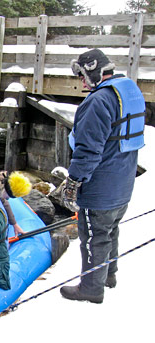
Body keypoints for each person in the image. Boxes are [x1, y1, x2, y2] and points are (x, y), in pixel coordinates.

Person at [60, 49, 145, 303]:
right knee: (110, 230)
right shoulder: (129, 90)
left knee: (93, 239)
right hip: (123, 183)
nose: (82, 82)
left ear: (95, 72)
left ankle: (91, 289)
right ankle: (109, 275)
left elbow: (88, 150)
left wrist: (73, 183)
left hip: (100, 189)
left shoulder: (97, 101)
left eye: (83, 76)